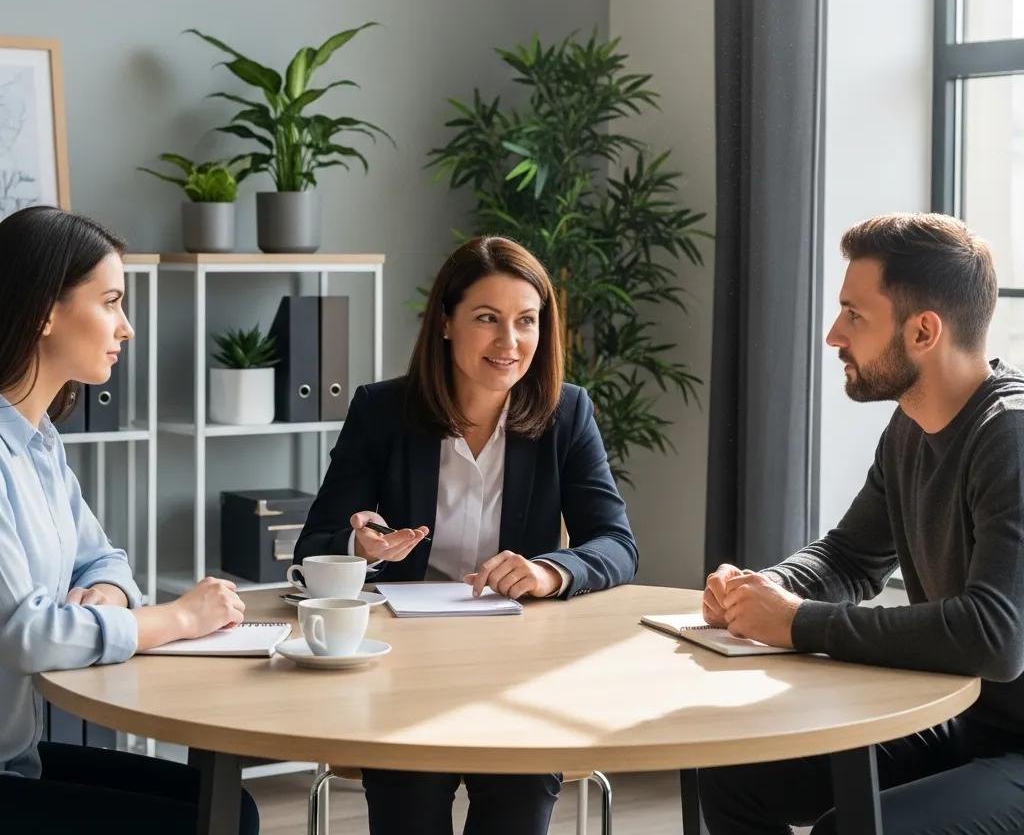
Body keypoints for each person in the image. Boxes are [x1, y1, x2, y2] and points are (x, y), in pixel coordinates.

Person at [294, 234, 639, 835]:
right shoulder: (383, 411)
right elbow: (316, 543)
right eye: (487, 319)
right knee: (409, 798)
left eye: (526, 321)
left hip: (518, 671)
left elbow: (616, 543)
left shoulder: (567, 413)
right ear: (447, 323)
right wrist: (360, 547)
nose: (510, 343)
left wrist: (548, 571)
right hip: (402, 671)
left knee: (519, 797)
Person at [698, 213, 1024, 834]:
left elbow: (994, 638)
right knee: (734, 768)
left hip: (1017, 752)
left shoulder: (1011, 436)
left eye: (854, 315)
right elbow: (849, 559)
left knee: (847, 828)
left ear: (923, 330)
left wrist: (796, 623)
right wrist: (758, 591)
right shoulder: (909, 429)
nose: (832, 335)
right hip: (972, 725)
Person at [0, 206, 258, 835]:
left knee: (225, 808)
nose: (127, 327)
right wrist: (175, 618)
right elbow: (26, 634)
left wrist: (107, 598)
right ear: (45, 312)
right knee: (218, 820)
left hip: (18, 758)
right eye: (111, 301)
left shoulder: (39, 443)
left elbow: (104, 560)